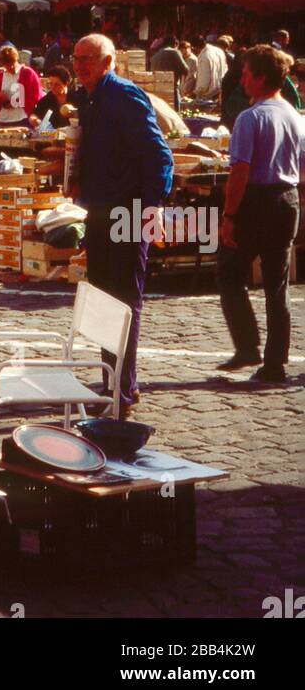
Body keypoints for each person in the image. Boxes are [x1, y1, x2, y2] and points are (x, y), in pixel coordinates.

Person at [72, 34, 174, 415]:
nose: (81, 65)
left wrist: (155, 206)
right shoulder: (89, 98)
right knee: (102, 301)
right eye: (77, 57)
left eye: (89, 58)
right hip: (100, 210)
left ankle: (123, 392)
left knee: (124, 302)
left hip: (129, 210)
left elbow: (159, 154)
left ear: (109, 60)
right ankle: (111, 383)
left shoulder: (124, 95)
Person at [217, 45, 304, 384]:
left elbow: (240, 171)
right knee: (276, 285)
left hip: (257, 201)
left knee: (228, 272)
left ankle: (248, 345)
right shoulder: (293, 114)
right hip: (288, 199)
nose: (242, 78)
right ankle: (274, 362)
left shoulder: (250, 118)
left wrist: (229, 216)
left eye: (246, 72)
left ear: (261, 77)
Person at [0, 46, 42, 125]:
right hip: (3, 120)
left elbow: (36, 95)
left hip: (22, 119)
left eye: (11, 64)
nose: (9, 68)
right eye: (6, 65)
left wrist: (17, 103)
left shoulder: (28, 73)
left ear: (16, 60)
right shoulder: (0, 77)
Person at [150, 35, 190, 111]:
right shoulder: (174, 52)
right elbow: (186, 70)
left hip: (157, 90)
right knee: (175, 115)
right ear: (175, 44)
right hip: (172, 90)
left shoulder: (155, 56)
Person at [193, 34, 227, 101]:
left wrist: (195, 93)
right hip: (220, 92)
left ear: (195, 47)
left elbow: (203, 84)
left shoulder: (204, 57)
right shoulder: (219, 51)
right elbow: (225, 69)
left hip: (208, 96)